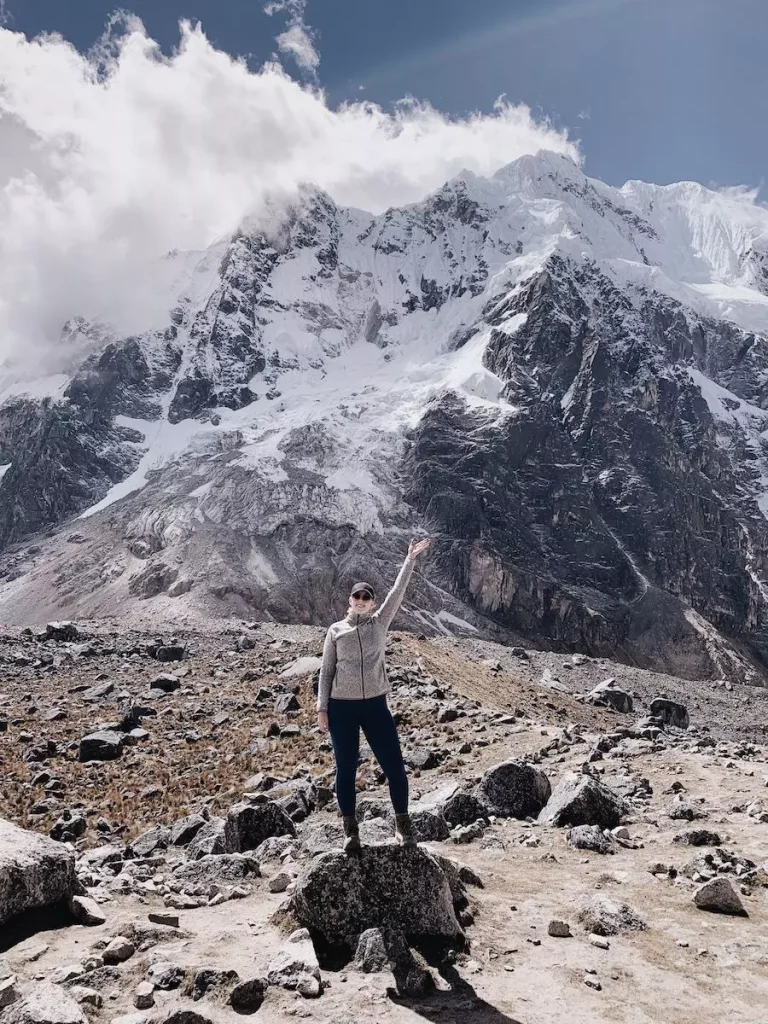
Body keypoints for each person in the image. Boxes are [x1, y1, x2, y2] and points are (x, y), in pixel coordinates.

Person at [317, 537, 432, 852]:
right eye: (357, 596)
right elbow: (326, 671)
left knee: (394, 764)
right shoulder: (335, 631)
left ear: (371, 601)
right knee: (346, 769)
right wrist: (321, 709)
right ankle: (350, 832)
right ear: (349, 600)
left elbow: (397, 593)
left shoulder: (380, 624)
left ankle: (403, 825)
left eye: (367, 596)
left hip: (376, 706)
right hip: (341, 709)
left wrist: (409, 561)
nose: (362, 600)